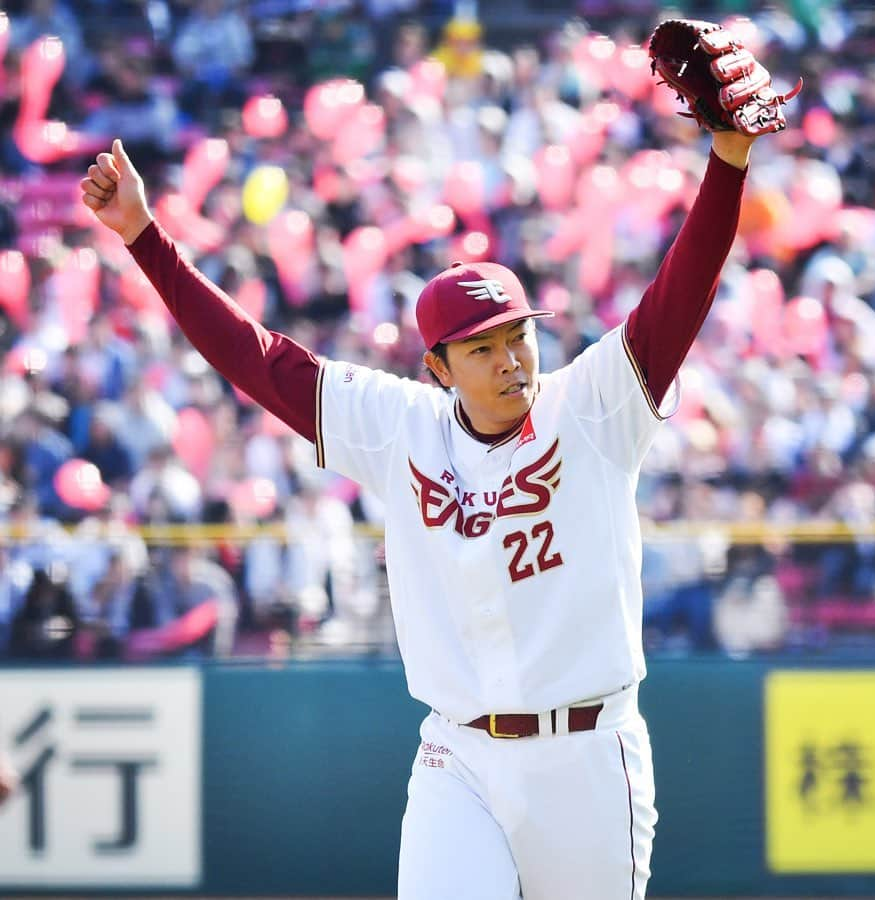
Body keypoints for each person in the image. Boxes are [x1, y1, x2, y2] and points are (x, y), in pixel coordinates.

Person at [80, 38, 781, 897]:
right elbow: (259, 360)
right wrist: (146, 238)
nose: (511, 361)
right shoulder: (400, 428)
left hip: (590, 760)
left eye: (518, 336)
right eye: (481, 350)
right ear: (438, 368)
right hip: (460, 756)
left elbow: (680, 294)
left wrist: (726, 162)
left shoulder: (592, 408)